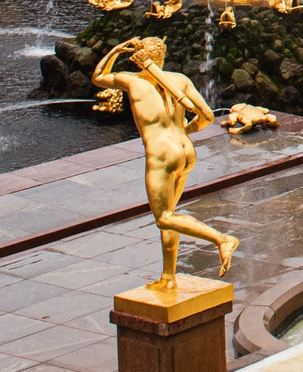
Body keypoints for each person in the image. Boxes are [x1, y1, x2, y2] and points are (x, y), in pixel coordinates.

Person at [93, 35, 240, 284]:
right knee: (171, 216)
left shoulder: (132, 81)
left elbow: (98, 77)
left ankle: (222, 239)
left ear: (139, 58)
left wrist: (116, 50)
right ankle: (168, 276)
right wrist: (185, 131)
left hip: (162, 154)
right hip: (185, 150)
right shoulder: (180, 80)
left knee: (164, 217)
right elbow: (206, 116)